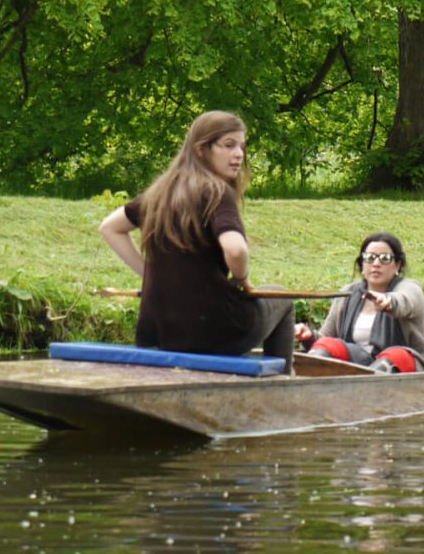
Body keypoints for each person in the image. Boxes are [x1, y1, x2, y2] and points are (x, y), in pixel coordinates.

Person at [98, 111, 295, 370]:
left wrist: (148, 274)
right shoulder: (216, 191)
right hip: (213, 333)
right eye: (228, 145)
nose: (239, 154)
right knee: (281, 297)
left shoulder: (158, 193)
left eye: (242, 146)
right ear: (201, 149)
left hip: (155, 335)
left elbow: (110, 228)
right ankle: (283, 383)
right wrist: (241, 279)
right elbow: (235, 250)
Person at [295, 232, 424, 371]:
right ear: (362, 265)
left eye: (385, 258)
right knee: (327, 345)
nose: (376, 264)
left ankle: (367, 386)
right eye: (370, 258)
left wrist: (389, 302)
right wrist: (308, 336)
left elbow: (405, 301)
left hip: (404, 364)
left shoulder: (410, 288)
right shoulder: (347, 294)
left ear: (397, 265)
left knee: (394, 356)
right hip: (357, 362)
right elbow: (326, 338)